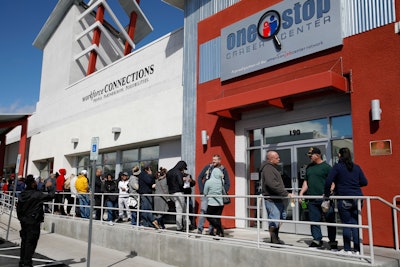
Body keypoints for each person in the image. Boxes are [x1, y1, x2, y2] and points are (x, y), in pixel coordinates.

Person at [324, 147, 368, 254]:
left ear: (339, 155)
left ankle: (347, 249)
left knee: (347, 223)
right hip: (358, 198)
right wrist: (354, 185)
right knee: (355, 223)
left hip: (344, 198)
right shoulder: (356, 167)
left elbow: (328, 181)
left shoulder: (338, 167)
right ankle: (357, 249)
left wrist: (327, 194)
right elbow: (364, 182)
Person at [299, 147, 337, 249]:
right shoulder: (309, 168)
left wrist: (330, 191)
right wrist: (301, 193)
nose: (310, 157)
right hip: (312, 199)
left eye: (311, 155)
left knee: (330, 220)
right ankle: (317, 240)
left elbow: (333, 182)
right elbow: (306, 182)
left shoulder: (326, 167)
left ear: (318, 155)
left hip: (324, 199)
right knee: (314, 220)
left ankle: (332, 241)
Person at [17, 175, 55, 267]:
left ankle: (22, 262)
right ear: (32, 184)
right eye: (35, 182)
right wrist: (49, 187)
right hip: (33, 222)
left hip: (24, 221)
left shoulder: (22, 194)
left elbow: (18, 208)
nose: (36, 183)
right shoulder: (36, 195)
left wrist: (21, 218)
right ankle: (27, 263)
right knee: (31, 243)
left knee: (25, 242)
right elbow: (51, 196)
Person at [260, 150, 293, 244]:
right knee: (274, 220)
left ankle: (275, 238)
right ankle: (274, 240)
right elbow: (272, 184)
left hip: (277, 198)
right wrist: (285, 193)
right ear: (270, 159)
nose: (279, 159)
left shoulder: (272, 168)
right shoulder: (268, 169)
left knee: (280, 218)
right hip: (272, 199)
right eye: (277, 157)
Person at [197, 155, 230, 235]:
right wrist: (202, 191)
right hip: (206, 194)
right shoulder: (208, 167)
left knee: (214, 214)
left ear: (219, 160)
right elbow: (199, 177)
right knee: (203, 211)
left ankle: (211, 231)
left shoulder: (223, 169)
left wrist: (222, 191)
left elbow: (227, 183)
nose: (213, 161)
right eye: (213, 160)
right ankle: (199, 230)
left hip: (217, 196)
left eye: (215, 160)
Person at [203, 168, 225, 237]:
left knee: (208, 216)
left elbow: (205, 192)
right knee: (217, 218)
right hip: (220, 203)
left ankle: (219, 229)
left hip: (212, 203)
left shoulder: (209, 182)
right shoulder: (222, 181)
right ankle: (218, 234)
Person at [167, 160, 188, 231]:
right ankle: (179, 227)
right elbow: (181, 183)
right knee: (180, 211)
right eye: (184, 168)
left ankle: (188, 224)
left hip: (171, 193)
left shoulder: (169, 172)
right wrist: (184, 180)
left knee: (185, 208)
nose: (183, 170)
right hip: (178, 193)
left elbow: (167, 183)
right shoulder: (178, 172)